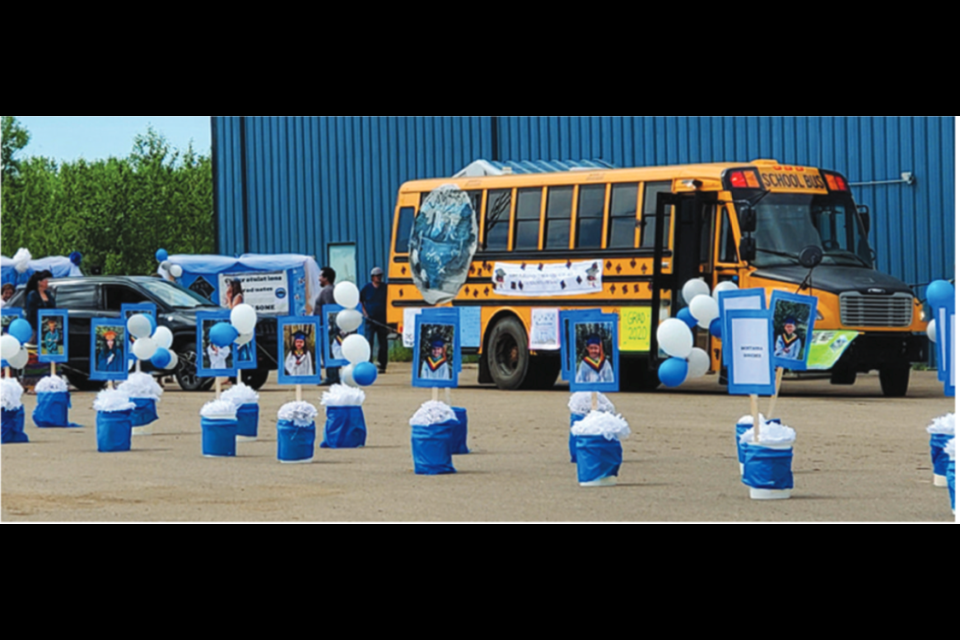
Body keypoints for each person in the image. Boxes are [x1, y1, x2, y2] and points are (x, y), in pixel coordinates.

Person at [361, 267, 389, 374]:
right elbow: (360, 300)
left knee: (383, 343)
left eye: (380, 276)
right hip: (370, 320)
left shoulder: (385, 288)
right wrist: (365, 313)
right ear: (372, 277)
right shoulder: (367, 288)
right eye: (376, 276)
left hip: (382, 320)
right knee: (369, 341)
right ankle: (368, 362)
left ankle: (382, 364)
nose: (378, 278)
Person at [313, 267, 339, 384]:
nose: (319, 279)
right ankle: (332, 376)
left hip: (326, 327)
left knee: (328, 351)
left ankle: (332, 376)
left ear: (326, 278)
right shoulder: (329, 290)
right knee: (327, 351)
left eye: (320, 276)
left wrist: (329, 326)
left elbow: (330, 310)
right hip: (323, 327)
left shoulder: (328, 291)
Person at [23, 270, 56, 344]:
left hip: (49, 326)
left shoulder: (48, 294)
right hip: (36, 327)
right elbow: (31, 312)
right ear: (40, 282)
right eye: (46, 280)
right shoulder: (33, 295)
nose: (48, 282)